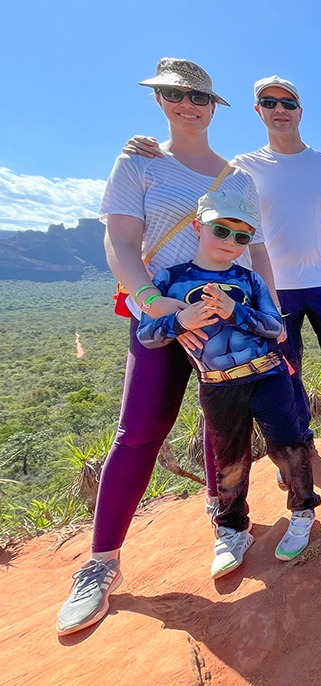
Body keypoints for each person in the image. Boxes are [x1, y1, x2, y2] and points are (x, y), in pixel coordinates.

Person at [56, 58, 277, 635]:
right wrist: (162, 308)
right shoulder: (138, 160)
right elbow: (122, 243)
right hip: (162, 312)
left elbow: (256, 252)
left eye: (198, 97)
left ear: (213, 106)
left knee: (223, 422)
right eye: (175, 94)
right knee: (139, 431)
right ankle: (101, 564)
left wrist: (269, 317)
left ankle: (228, 524)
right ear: (160, 100)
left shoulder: (237, 176)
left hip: (229, 317)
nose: (188, 104)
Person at [125, 75, 321, 472]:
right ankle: (301, 445)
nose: (279, 110)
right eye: (269, 103)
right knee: (286, 369)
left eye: (287, 103)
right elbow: (194, 177)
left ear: (300, 110)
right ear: (258, 111)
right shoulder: (241, 168)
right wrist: (144, 150)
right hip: (270, 288)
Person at [137, 190, 321, 578]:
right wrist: (179, 322)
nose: (230, 243)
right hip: (218, 384)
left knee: (287, 447)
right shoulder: (170, 280)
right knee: (229, 461)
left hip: (268, 375)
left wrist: (234, 311)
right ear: (197, 228)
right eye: (221, 230)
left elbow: (277, 328)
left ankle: (302, 512)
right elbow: (148, 335)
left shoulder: (249, 280)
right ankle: (233, 529)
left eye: (241, 237)